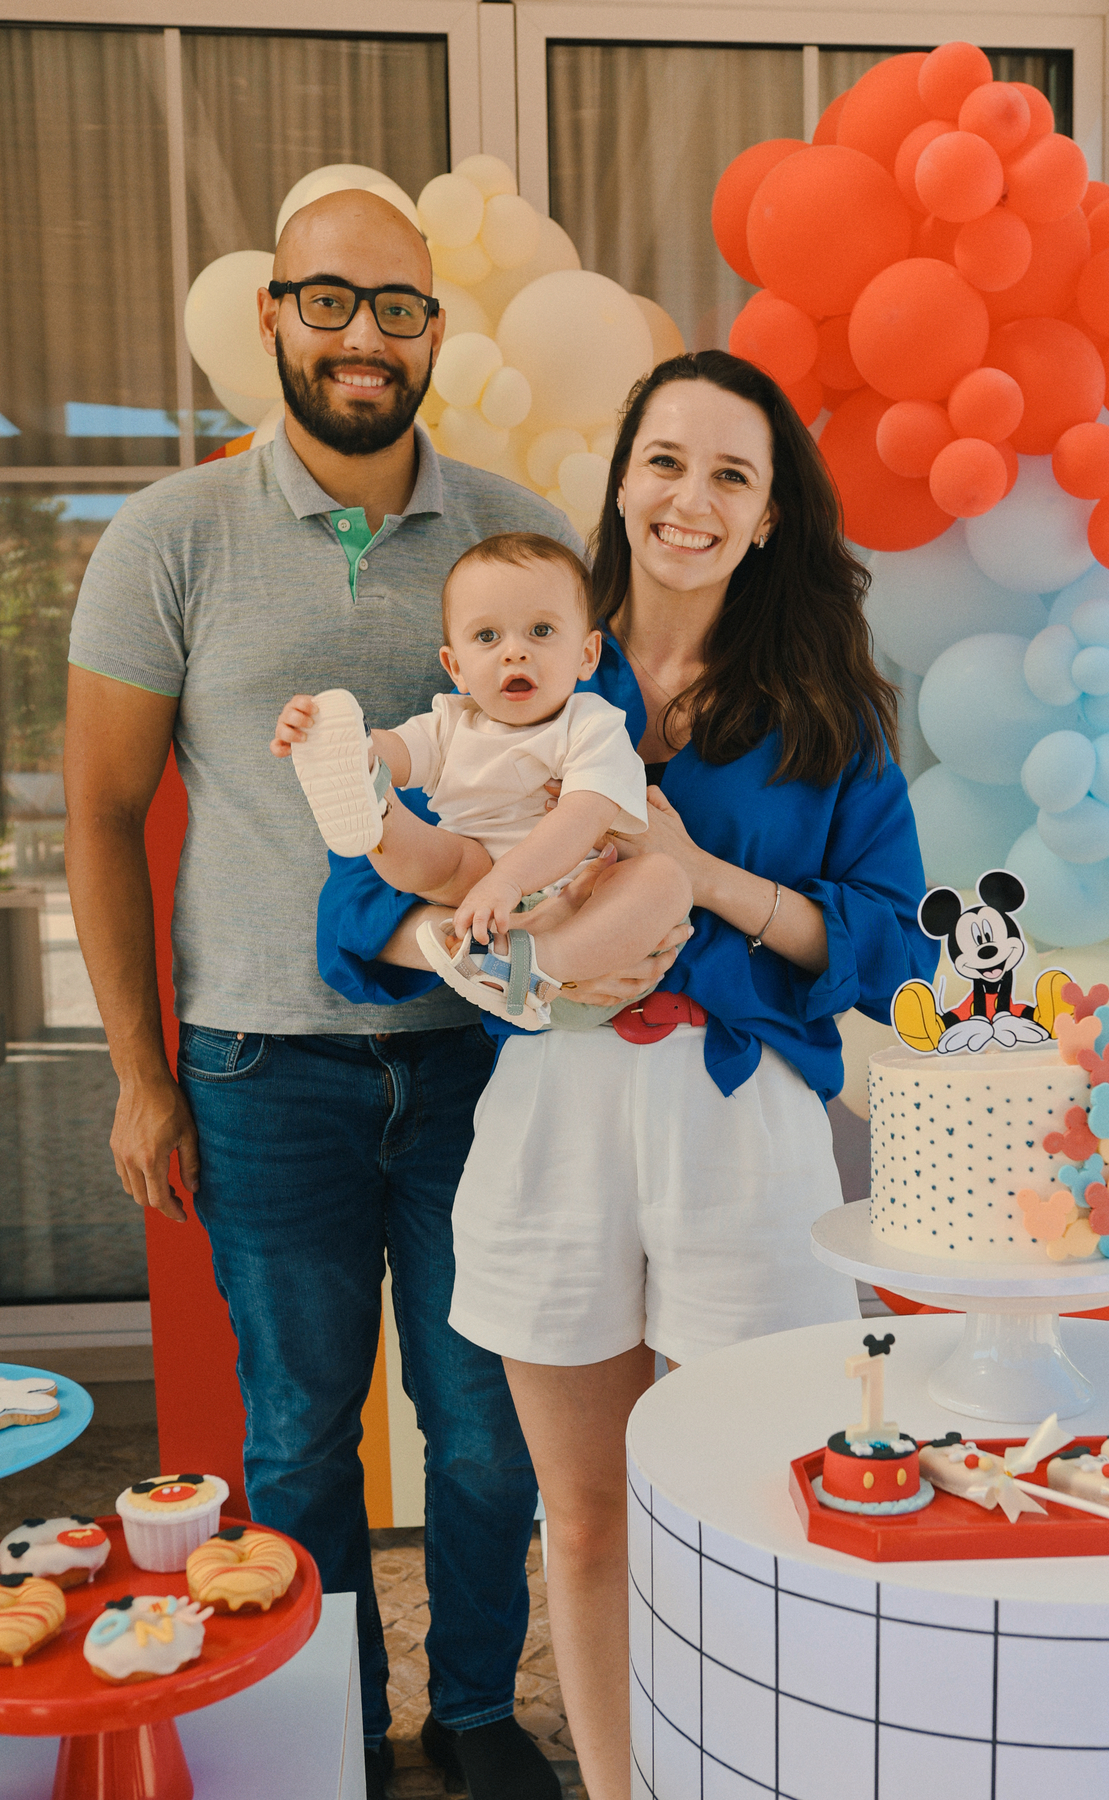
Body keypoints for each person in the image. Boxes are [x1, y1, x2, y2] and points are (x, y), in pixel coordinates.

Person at [61, 187, 684, 1800]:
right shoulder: (171, 537)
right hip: (262, 1070)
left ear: (434, 332)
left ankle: (476, 1711)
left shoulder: (512, 536)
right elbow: (102, 815)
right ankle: (321, 1732)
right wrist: (140, 1073)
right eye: (329, 300)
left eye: (397, 307)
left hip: (488, 1063)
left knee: (482, 1430)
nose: (363, 336)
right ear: (274, 313)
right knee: (294, 1435)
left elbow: (605, 775)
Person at [316, 350, 937, 1800]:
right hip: (553, 1121)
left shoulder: (828, 704)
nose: (690, 499)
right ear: (622, 480)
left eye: (732, 473)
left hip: (744, 1129)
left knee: (764, 1509)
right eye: (666, 460)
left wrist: (705, 877)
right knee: (586, 1521)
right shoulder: (521, 650)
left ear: (771, 515)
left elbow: (899, 950)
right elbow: (355, 903)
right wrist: (474, 948)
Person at [271, 533, 691, 1028]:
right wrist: (339, 742)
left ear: (587, 655)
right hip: (477, 897)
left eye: (540, 631)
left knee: (666, 881)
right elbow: (400, 749)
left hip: (588, 921)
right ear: (457, 668)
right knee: (448, 856)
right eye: (488, 637)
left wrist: (507, 882)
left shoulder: (593, 726)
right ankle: (376, 803)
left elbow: (582, 817)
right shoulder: (451, 722)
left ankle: (535, 963)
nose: (514, 652)